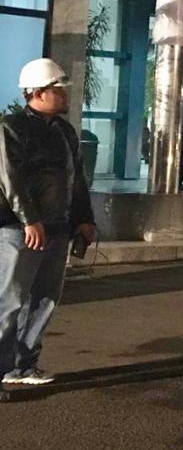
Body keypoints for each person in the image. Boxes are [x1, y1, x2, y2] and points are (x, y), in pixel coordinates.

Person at [0, 59, 95, 389]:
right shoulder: (11, 128)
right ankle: (3, 367)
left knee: (45, 298)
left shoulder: (65, 132)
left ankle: (25, 364)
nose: (65, 95)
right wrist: (30, 220)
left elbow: (76, 180)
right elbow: (9, 179)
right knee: (10, 301)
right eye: (59, 89)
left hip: (57, 228)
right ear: (38, 92)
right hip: (19, 230)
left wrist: (84, 219)